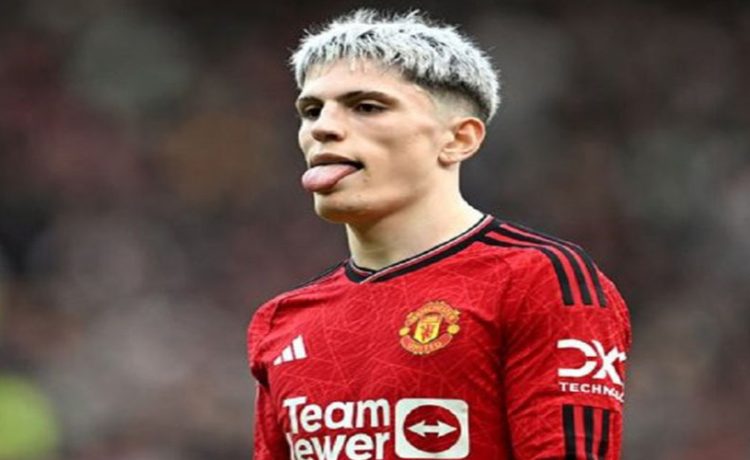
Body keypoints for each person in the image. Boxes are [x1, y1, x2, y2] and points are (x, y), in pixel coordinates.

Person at [247, 9, 631, 460]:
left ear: (458, 140)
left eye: (367, 106)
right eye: (311, 111)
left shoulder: (535, 280)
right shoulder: (283, 320)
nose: (322, 127)